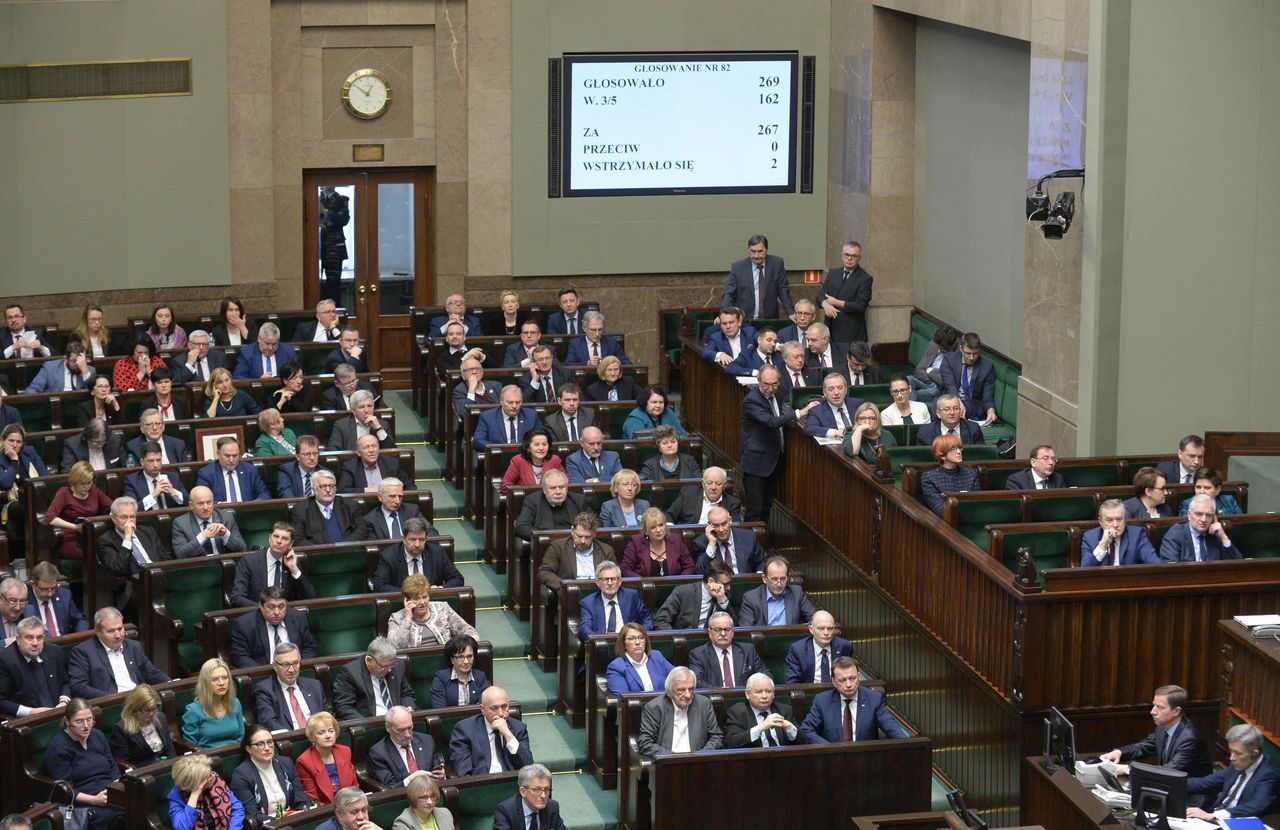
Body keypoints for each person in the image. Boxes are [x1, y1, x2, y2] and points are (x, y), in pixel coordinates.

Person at [740, 366, 819, 521]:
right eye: (766, 384)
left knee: (766, 506)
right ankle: (750, 543)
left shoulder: (778, 393)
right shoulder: (751, 400)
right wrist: (800, 412)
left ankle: (762, 543)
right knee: (754, 511)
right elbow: (771, 422)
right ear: (758, 382)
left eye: (774, 384)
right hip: (756, 463)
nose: (770, 389)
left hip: (773, 460)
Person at [1098, 685, 1212, 781]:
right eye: (1154, 705)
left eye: (1160, 707)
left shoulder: (1189, 739)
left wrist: (1127, 769)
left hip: (1191, 798)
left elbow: (1170, 771)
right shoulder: (1163, 727)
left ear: (1176, 711)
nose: (1152, 711)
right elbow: (1144, 747)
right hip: (1170, 788)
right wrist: (1119, 752)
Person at [43, 699, 124, 830]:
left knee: (137, 805)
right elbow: (65, 789)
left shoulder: (98, 735)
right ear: (67, 721)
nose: (86, 726)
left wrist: (117, 788)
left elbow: (112, 765)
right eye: (79, 721)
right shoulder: (59, 748)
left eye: (89, 719)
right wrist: (94, 800)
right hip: (83, 803)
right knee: (118, 817)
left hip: (109, 794)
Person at [94, 496, 172, 616]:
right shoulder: (105, 541)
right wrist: (127, 538)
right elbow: (119, 568)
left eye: (132, 517)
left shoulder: (148, 532)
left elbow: (165, 559)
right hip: (134, 589)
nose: (129, 521)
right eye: (124, 517)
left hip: (160, 580)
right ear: (113, 518)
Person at [68, 606, 169, 698]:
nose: (118, 635)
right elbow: (79, 686)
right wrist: (111, 698)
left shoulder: (134, 647)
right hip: (110, 704)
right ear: (98, 632)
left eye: (120, 629)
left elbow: (152, 673)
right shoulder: (83, 652)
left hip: (138, 701)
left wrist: (170, 682)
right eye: (111, 631)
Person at [800, 656, 906, 743]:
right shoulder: (822, 701)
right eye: (842, 680)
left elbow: (892, 729)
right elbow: (806, 730)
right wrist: (829, 749)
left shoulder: (874, 699)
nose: (848, 684)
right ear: (834, 682)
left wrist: (906, 744)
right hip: (833, 760)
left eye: (852, 678)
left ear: (859, 677)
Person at [1185, 724, 1278, 821]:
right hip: (1215, 817)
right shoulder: (1239, 764)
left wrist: (1214, 815)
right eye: (1231, 751)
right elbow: (1205, 783)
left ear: (1254, 753)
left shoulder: (1268, 775)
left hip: (1235, 823)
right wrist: (1174, 782)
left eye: (1238, 753)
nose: (1232, 758)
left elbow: (1255, 806)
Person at [229, 724, 312, 820]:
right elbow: (253, 814)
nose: (267, 748)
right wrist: (278, 821)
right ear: (249, 749)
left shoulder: (286, 763)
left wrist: (304, 807)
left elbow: (299, 794)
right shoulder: (241, 775)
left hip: (291, 817)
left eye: (270, 742)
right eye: (260, 744)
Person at [447, 685, 533, 776]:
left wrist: (508, 734)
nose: (500, 713)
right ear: (483, 709)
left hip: (511, 781)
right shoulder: (465, 729)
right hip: (481, 783)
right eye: (494, 708)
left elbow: (528, 766)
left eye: (504, 706)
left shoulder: (518, 728)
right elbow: (463, 771)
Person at [636, 667, 723, 755]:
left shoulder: (704, 704)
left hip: (698, 763)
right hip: (667, 764)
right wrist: (673, 758)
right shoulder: (655, 708)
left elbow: (717, 737)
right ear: (670, 691)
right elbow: (645, 743)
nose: (688, 695)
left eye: (691, 689)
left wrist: (699, 756)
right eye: (681, 690)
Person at [230, 522, 317, 606]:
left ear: (291, 544)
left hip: (284, 617)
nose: (279, 541)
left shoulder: (293, 563)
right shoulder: (249, 562)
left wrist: (294, 569)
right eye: (276, 536)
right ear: (269, 538)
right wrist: (264, 609)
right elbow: (237, 598)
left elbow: (310, 598)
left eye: (285, 538)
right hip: (256, 616)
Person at [230, 585, 317, 668]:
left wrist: (296, 666)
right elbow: (239, 656)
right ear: (261, 606)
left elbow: (309, 648)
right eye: (271, 607)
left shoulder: (298, 618)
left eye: (281, 607)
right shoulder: (245, 624)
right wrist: (262, 673)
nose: (277, 612)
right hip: (264, 676)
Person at [252, 641, 330, 732]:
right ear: (275, 666)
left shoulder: (314, 685)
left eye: (295, 663)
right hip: (289, 741)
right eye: (286, 665)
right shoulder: (265, 690)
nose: (292, 670)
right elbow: (269, 722)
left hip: (318, 738)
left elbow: (327, 716)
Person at [0, 616, 70, 717]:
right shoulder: (5, 660)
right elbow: (1, 701)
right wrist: (30, 712)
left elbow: (65, 682)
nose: (35, 643)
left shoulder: (55, 652)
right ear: (18, 639)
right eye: (29, 637)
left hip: (59, 715)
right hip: (27, 722)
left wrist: (64, 701)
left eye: (39, 637)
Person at [331, 637, 416, 719]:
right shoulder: (350, 673)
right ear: (369, 660)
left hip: (398, 722)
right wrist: (365, 724)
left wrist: (408, 707)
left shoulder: (398, 665)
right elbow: (343, 707)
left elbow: (406, 693)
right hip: (372, 724)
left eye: (392, 665)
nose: (389, 670)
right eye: (384, 667)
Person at [387, 574, 479, 649]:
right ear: (407, 599)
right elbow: (393, 647)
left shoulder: (442, 608)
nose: (422, 602)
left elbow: (468, 631)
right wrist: (407, 619)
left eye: (425, 597)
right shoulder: (397, 618)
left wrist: (463, 649)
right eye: (417, 598)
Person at [44, 461, 112, 560]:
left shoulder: (93, 490)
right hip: (69, 538)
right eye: (82, 484)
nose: (86, 487)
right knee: (92, 554)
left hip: (90, 536)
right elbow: (50, 518)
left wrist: (111, 513)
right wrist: (75, 527)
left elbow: (112, 505)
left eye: (89, 482)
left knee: (108, 550)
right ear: (74, 481)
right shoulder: (64, 493)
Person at [373, 516, 463, 592]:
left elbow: (457, 579)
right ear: (403, 539)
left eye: (421, 539)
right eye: (412, 539)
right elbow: (379, 585)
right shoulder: (389, 556)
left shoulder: (437, 553)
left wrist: (440, 589)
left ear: (426, 538)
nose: (417, 544)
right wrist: (410, 594)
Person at [366, 706, 444, 788]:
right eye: (401, 730)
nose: (407, 734)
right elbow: (390, 788)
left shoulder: (427, 741)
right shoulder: (378, 754)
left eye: (410, 728)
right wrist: (411, 779)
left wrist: (441, 776)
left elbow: (436, 771)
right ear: (388, 727)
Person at [537, 511, 615, 592]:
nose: (583, 541)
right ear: (572, 531)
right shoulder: (558, 547)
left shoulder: (606, 550)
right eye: (579, 536)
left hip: (599, 593)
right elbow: (544, 572)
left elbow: (614, 576)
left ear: (594, 534)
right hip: (570, 594)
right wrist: (564, 588)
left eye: (587, 537)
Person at [813, 240, 873, 343]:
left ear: (859, 258)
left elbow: (860, 305)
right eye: (847, 255)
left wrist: (836, 302)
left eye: (854, 256)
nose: (849, 258)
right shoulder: (833, 273)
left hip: (851, 333)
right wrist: (825, 304)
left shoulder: (865, 278)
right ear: (842, 255)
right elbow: (820, 296)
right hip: (829, 330)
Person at [688, 611, 768, 688]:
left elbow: (765, 676)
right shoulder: (698, 654)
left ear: (732, 632)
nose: (723, 634)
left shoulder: (748, 651)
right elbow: (697, 682)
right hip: (714, 699)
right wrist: (721, 691)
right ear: (710, 633)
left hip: (744, 698)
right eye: (718, 630)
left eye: (727, 629)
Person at [578, 560, 653, 643]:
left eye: (613, 579)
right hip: (602, 646)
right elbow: (584, 629)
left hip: (629, 644)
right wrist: (598, 641)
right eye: (605, 579)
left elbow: (647, 619)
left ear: (620, 582)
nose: (610, 583)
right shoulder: (588, 603)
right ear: (598, 583)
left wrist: (638, 636)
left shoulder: (632, 596)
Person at [722, 234, 793, 319]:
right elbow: (729, 293)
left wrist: (791, 312)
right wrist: (723, 314)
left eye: (760, 251)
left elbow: (783, 290)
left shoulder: (777, 264)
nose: (756, 256)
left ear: (766, 250)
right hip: (744, 319)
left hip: (769, 319)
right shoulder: (738, 268)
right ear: (748, 250)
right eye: (753, 251)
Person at [295, 712, 358, 806]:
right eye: (321, 733)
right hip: (325, 809)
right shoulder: (304, 761)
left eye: (331, 731)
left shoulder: (344, 751)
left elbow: (354, 785)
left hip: (349, 804)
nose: (328, 736)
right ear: (312, 737)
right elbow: (312, 797)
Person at [653, 559, 736, 630]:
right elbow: (661, 620)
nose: (728, 588)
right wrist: (676, 638)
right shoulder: (683, 593)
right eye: (725, 584)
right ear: (710, 581)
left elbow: (734, 626)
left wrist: (722, 601)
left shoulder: (724, 595)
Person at [181, 657, 245, 748]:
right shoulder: (193, 710)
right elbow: (191, 745)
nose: (221, 683)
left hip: (235, 755)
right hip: (206, 759)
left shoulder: (235, 703)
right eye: (215, 679)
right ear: (205, 683)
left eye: (225, 678)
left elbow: (241, 736)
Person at [725, 673, 801, 748]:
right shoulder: (737, 712)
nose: (764, 696)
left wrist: (790, 728)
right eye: (759, 692)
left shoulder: (785, 710)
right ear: (747, 694)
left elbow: (804, 743)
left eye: (768, 691)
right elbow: (731, 743)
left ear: (773, 693)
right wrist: (760, 728)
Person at [1159, 494, 1243, 562]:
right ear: (1189, 515)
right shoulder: (1175, 534)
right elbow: (1170, 571)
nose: (1203, 519)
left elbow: (1237, 564)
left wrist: (1224, 538)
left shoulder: (1216, 534)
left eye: (1208, 515)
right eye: (1199, 514)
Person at [738, 556, 818, 626]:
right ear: (764, 579)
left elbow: (814, 619)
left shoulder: (797, 592)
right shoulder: (751, 598)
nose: (779, 584)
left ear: (788, 577)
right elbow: (746, 630)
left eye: (783, 579)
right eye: (774, 579)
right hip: (763, 642)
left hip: (792, 641)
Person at [172, 485, 248, 558]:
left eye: (209, 502)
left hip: (225, 565)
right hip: (199, 567)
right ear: (191, 505)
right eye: (201, 503)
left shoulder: (226, 518)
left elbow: (242, 548)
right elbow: (180, 554)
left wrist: (226, 535)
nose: (206, 507)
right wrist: (202, 536)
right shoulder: (180, 524)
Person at [109, 684, 176, 767]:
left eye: (154, 709)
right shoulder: (121, 729)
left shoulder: (160, 718)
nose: (152, 714)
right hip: (143, 773)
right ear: (135, 709)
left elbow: (170, 751)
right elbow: (124, 763)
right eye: (147, 710)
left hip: (166, 768)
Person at [1081, 499, 1160, 567]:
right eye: (1109, 520)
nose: (1115, 525)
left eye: (1119, 519)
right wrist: (1102, 546)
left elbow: (1153, 562)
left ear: (1125, 520)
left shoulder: (1137, 535)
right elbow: (1084, 569)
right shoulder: (1090, 537)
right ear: (1101, 522)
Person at [940, 332, 997, 425]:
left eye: (975, 354)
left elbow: (987, 397)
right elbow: (949, 385)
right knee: (938, 406)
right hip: (951, 399)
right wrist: (957, 403)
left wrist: (990, 411)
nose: (971, 358)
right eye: (968, 353)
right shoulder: (949, 359)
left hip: (972, 406)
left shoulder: (987, 367)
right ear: (961, 349)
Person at [513, 470, 586, 541]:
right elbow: (521, 527)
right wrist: (541, 537)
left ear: (567, 488)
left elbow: (594, 526)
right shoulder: (533, 501)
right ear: (544, 489)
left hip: (575, 545)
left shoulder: (579, 500)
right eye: (553, 488)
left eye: (561, 487)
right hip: (546, 546)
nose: (558, 492)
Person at [692, 506, 768, 574]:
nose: (721, 529)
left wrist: (758, 575)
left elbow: (762, 560)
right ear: (709, 525)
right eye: (716, 525)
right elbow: (699, 571)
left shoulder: (748, 537)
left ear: (730, 520)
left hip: (745, 584)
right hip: (718, 587)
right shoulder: (701, 542)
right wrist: (711, 544)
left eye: (724, 524)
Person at [292, 469, 361, 545]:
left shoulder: (350, 505)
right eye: (323, 486)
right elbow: (298, 538)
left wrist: (343, 547)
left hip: (348, 552)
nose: (328, 490)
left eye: (331, 486)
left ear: (335, 489)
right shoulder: (301, 510)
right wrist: (321, 552)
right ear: (314, 490)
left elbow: (361, 530)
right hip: (317, 555)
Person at [621, 507, 695, 577]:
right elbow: (625, 570)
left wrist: (678, 583)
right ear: (646, 531)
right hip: (645, 589)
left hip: (675, 588)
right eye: (653, 527)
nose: (658, 530)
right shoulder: (636, 543)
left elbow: (689, 567)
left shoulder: (676, 540)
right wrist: (643, 582)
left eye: (661, 525)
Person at [919, 434, 980, 517]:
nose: (959, 452)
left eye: (959, 448)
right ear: (942, 455)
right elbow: (940, 510)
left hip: (970, 519)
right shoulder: (929, 478)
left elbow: (976, 506)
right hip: (943, 524)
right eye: (953, 449)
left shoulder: (971, 474)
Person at [786, 610, 854, 683]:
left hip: (836, 690)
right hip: (810, 692)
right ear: (811, 629)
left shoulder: (844, 646)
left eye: (830, 628)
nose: (826, 633)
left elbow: (849, 673)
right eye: (821, 629)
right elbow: (792, 682)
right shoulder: (798, 649)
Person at [196, 436, 271, 502]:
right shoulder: (206, 473)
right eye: (227, 456)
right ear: (218, 454)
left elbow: (264, 494)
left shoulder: (250, 470)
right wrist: (219, 505)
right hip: (220, 515)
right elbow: (201, 499)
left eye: (235, 455)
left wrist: (253, 504)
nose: (231, 460)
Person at [606, 623, 676, 694]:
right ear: (623, 644)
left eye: (641, 638)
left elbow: (677, 675)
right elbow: (623, 699)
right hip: (636, 705)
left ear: (646, 641)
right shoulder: (617, 667)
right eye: (631, 639)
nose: (637, 642)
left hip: (662, 704)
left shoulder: (656, 656)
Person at [24, 562, 89, 637]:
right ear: (33, 584)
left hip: (64, 642)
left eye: (53, 588)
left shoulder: (64, 595)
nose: (50, 594)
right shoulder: (24, 601)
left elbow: (79, 620)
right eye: (45, 589)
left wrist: (80, 637)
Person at [493, 764, 566, 830]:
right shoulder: (505, 811)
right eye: (537, 790)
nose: (543, 795)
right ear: (523, 791)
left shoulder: (552, 807)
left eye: (546, 789)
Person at [665, 465, 743, 525]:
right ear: (703, 484)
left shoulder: (732, 503)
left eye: (718, 484)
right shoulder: (688, 494)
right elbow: (669, 515)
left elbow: (736, 529)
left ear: (724, 485)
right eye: (709, 483)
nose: (713, 487)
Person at [472, 385, 541, 452]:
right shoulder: (488, 417)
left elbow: (542, 437)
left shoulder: (531, 416)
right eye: (510, 402)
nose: (514, 406)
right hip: (498, 458)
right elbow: (477, 441)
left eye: (518, 402)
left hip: (525, 458)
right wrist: (497, 448)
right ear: (501, 402)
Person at [355, 478, 425, 542]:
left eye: (400, 496)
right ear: (380, 497)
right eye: (392, 496)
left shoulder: (412, 511)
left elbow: (431, 532)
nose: (397, 501)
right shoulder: (370, 520)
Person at [123, 441, 188, 510]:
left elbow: (188, 501)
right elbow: (130, 508)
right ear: (142, 462)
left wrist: (173, 492)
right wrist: (153, 495)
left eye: (158, 460)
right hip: (147, 519)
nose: (155, 465)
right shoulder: (132, 481)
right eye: (151, 461)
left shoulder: (173, 477)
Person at [430, 634, 490, 708]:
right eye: (460, 657)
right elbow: (439, 708)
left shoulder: (480, 677)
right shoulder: (441, 678)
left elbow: (485, 706)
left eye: (469, 656)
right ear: (452, 659)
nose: (466, 661)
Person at [500, 427, 563, 494]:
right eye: (536, 445)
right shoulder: (518, 461)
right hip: (524, 501)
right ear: (528, 448)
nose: (541, 448)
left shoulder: (554, 460)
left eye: (544, 444)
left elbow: (565, 483)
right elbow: (505, 486)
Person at [328, 389, 394, 452]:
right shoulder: (341, 425)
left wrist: (378, 429)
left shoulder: (382, 425)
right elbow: (333, 450)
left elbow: (391, 452)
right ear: (353, 410)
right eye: (362, 407)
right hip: (351, 463)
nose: (366, 410)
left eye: (370, 406)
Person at [909, 324, 959, 404]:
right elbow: (919, 370)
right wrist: (933, 379)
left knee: (907, 394)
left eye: (943, 349)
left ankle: (911, 412)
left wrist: (929, 371)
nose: (939, 351)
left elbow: (945, 382)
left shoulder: (958, 354)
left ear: (953, 344)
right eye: (938, 347)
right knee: (907, 380)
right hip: (928, 383)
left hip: (939, 390)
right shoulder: (934, 344)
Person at [339, 434, 404, 494]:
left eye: (374, 446)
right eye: (366, 447)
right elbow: (343, 490)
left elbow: (409, 487)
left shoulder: (392, 463)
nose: (371, 450)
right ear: (359, 453)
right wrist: (367, 490)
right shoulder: (350, 467)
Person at [24, 340, 96, 393]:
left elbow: (94, 392)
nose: (78, 364)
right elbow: (32, 390)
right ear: (65, 358)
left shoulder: (90, 371)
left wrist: (85, 371)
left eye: (81, 360)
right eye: (74, 361)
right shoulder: (50, 367)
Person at [59, 418, 127, 474]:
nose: (100, 445)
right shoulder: (72, 445)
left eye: (103, 442)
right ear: (87, 437)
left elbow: (125, 466)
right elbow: (67, 472)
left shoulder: (115, 440)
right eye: (96, 442)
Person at [319, 188, 351, 305]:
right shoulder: (316, 197)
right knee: (317, 283)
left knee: (334, 283)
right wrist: (329, 220)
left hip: (335, 247)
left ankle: (335, 312)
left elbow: (343, 220)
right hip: (319, 245)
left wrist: (325, 211)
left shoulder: (341, 199)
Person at [126, 408, 191, 465]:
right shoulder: (133, 447)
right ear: (142, 429)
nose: (154, 428)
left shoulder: (178, 445)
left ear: (163, 427)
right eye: (149, 424)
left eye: (158, 424)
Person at [565, 310, 631, 366]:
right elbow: (568, 365)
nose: (597, 334)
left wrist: (611, 364)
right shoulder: (575, 344)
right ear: (584, 328)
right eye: (593, 330)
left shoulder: (612, 343)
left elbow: (627, 363)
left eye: (600, 330)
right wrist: (587, 363)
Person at [914, 395, 985, 445]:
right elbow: (922, 461)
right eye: (947, 409)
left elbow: (979, 456)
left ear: (960, 411)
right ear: (938, 414)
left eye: (956, 408)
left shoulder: (973, 429)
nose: (952, 413)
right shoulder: (926, 432)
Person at [623, 385, 688, 439]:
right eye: (654, 402)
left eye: (661, 402)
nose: (658, 405)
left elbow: (683, 435)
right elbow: (640, 443)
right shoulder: (635, 417)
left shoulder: (669, 413)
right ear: (645, 402)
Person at [278, 435, 331, 499]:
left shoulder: (326, 473)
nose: (312, 458)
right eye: (307, 454)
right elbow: (287, 494)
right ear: (297, 456)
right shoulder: (287, 471)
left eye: (315, 453)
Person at [1179, 467, 1243, 517]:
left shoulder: (1228, 501)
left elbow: (1240, 525)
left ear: (1217, 489)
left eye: (1207, 488)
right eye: (1198, 487)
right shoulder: (1187, 505)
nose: (1201, 491)